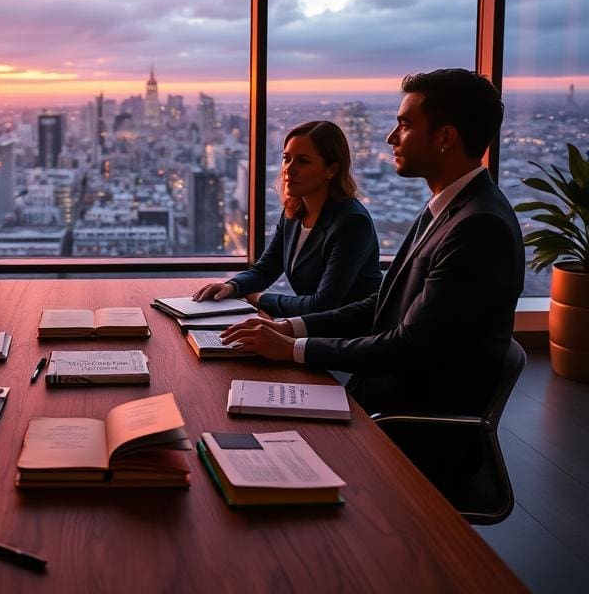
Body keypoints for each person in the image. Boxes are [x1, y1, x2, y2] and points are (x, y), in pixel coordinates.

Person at [221, 69, 525, 422]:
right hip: (377, 391)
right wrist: (290, 329)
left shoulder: (479, 227)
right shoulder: (450, 209)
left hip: (407, 421)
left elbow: (409, 347)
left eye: (405, 125)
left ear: (445, 137)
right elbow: (384, 301)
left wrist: (293, 349)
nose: (390, 137)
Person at [193, 121, 381, 317]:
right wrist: (232, 287)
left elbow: (323, 304)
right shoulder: (294, 212)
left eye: (303, 161)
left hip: (349, 338)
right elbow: (266, 269)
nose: (288, 169)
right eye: (286, 158)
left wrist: (259, 299)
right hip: (314, 330)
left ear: (331, 170)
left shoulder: (352, 223)